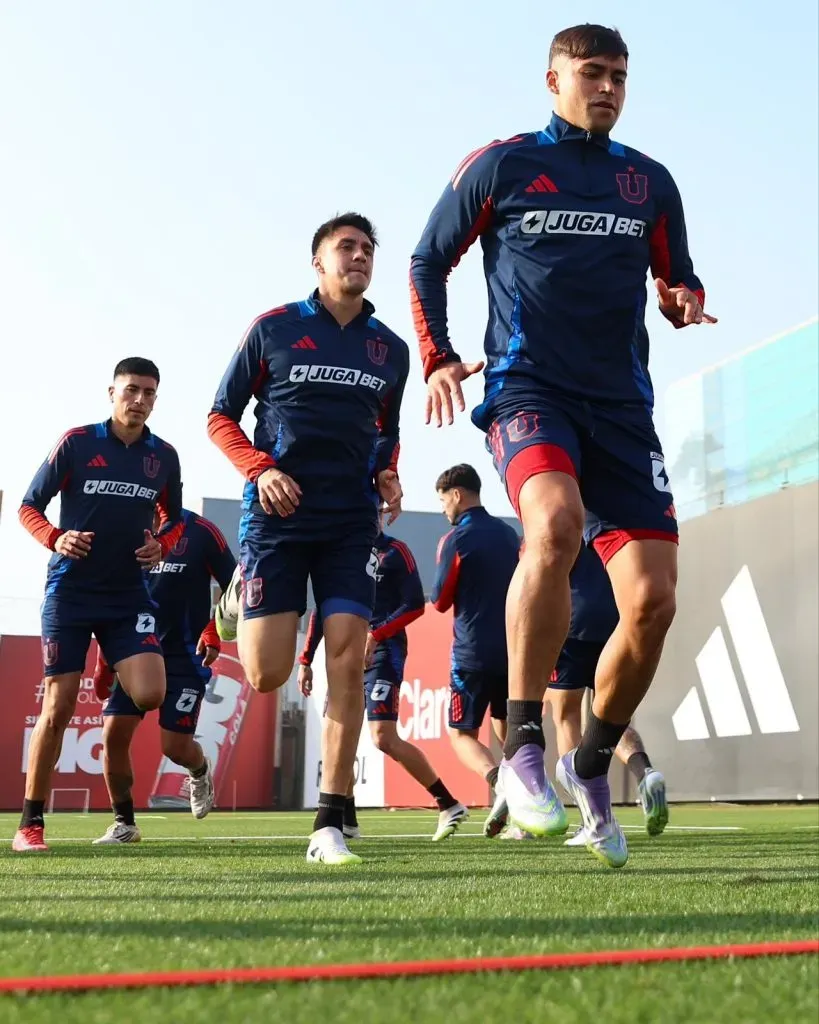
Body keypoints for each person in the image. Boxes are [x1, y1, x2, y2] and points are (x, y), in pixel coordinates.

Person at [410, 24, 715, 867]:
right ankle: (520, 747)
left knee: (652, 603)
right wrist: (436, 356)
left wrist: (682, 299)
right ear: (553, 80)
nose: (607, 87)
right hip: (528, 391)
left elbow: (677, 275)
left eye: (618, 75)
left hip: (621, 409)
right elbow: (428, 258)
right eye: (591, 73)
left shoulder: (648, 180)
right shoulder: (501, 164)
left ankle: (589, 763)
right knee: (551, 526)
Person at [208, 213, 409, 865]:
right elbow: (219, 416)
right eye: (345, 247)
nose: (359, 256)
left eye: (367, 248)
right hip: (278, 517)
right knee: (266, 674)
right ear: (318, 263)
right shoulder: (273, 328)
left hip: (350, 520)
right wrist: (260, 469)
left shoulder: (389, 349)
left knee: (347, 656)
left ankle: (329, 818)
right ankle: (236, 597)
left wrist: (387, 473)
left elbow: (386, 432)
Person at [13, 357, 183, 852]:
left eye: (149, 393)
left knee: (151, 693)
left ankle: (112, 657)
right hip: (70, 593)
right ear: (112, 393)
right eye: (132, 390)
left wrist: (162, 545)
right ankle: (30, 824)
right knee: (59, 707)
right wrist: (56, 538)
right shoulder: (77, 442)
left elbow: (174, 519)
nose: (140, 401)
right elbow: (28, 506)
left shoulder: (164, 456)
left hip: (128, 595)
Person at [299, 525, 468, 842]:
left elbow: (414, 604)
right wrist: (305, 659)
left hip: (384, 652)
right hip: (344, 653)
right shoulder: (338, 551)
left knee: (383, 737)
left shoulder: (395, 551)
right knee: (336, 735)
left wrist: (377, 635)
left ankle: (448, 803)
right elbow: (321, 608)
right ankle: (347, 821)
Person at [91, 509, 237, 843]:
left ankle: (198, 767)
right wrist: (104, 658)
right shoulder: (123, 527)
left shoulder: (201, 531)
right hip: (135, 651)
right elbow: (110, 599)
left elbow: (235, 588)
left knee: (175, 748)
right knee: (113, 734)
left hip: (185, 655)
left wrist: (214, 629)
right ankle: (124, 824)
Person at [546, 543, 668, 846]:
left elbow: (543, 562)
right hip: (613, 618)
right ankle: (644, 772)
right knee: (609, 715)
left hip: (573, 621)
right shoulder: (612, 519)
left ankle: (591, 816)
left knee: (566, 715)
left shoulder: (563, 516)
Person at [430, 465, 526, 839]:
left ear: (457, 495)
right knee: (509, 727)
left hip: (471, 653)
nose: (443, 509)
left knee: (462, 734)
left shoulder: (456, 538)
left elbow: (439, 600)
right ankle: (526, 814)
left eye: (443, 500)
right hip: (513, 649)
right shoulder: (509, 534)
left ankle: (501, 783)